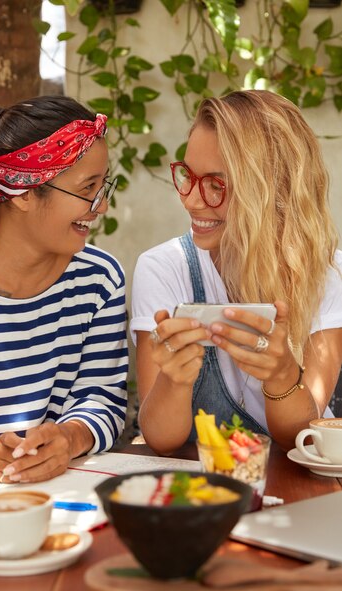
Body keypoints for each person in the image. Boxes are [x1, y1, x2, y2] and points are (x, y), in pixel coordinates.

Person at [0, 95, 128, 513]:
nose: (101, 205)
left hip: (64, 504)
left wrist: (70, 437)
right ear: (22, 193)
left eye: (102, 185)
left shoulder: (100, 280)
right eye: (87, 188)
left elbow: (102, 397)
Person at [130, 89, 342, 455]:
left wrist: (281, 377)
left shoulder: (325, 273)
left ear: (274, 190)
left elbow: (305, 437)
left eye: (217, 185)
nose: (192, 200)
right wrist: (175, 380)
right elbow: (161, 439)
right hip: (199, 496)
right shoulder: (164, 269)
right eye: (187, 176)